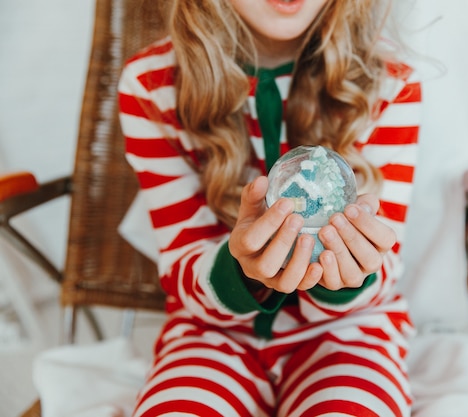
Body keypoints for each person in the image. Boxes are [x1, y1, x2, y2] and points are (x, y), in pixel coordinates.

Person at [118, 0, 421, 415]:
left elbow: (384, 268)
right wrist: (239, 269)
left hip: (349, 332)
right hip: (210, 335)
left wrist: (351, 275)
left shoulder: (388, 81)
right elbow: (180, 264)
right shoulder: (151, 85)